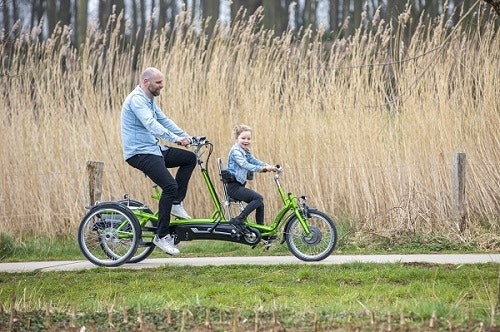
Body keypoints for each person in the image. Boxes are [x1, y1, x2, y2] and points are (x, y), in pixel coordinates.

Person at [121, 67, 196, 255]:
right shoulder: (137, 100)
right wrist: (176, 139)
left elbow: (164, 120)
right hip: (140, 153)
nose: (162, 86)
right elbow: (152, 125)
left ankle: (176, 203)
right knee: (170, 186)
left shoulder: (149, 99)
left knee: (189, 158)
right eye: (158, 83)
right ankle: (161, 236)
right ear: (146, 82)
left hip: (154, 150)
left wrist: (187, 136)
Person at [226, 124, 275, 231]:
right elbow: (245, 164)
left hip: (239, 186)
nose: (246, 141)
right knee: (258, 198)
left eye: (249, 138)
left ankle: (261, 231)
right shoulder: (236, 151)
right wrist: (262, 169)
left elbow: (253, 160)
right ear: (236, 138)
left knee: (260, 203)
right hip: (233, 188)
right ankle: (239, 219)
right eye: (243, 138)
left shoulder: (245, 151)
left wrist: (268, 166)